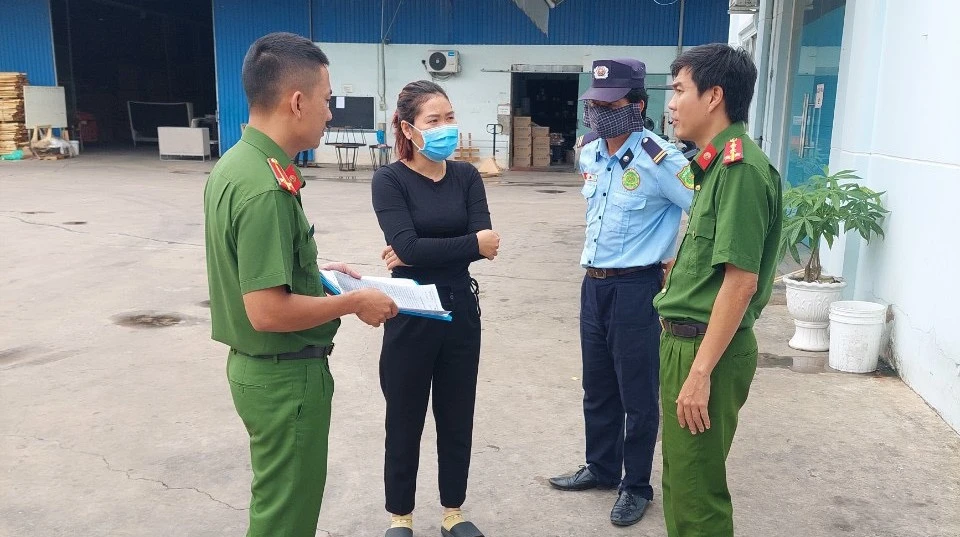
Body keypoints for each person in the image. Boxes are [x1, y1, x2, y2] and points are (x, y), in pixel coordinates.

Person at [203, 32, 398, 537]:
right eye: (326, 100)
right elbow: (266, 312)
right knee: (285, 521)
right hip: (284, 378)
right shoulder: (265, 188)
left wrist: (317, 275)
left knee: (277, 508)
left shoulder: (237, 165)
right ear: (296, 101)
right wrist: (354, 302)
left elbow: (257, 267)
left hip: (260, 372)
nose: (329, 113)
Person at [549, 58, 693, 527]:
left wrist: (678, 260)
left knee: (637, 393)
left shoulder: (661, 159)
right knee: (598, 385)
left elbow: (706, 212)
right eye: (595, 103)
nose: (599, 113)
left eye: (612, 104)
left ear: (637, 105)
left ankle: (636, 485)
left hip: (637, 288)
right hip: (593, 285)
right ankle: (602, 467)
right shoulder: (589, 151)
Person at [655, 44, 783, 537]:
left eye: (679, 90)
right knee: (680, 482)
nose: (671, 103)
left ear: (714, 97)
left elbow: (741, 281)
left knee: (698, 493)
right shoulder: (713, 166)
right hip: (683, 341)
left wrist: (701, 373)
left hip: (707, 349)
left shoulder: (740, 171)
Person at [371, 80, 499, 537]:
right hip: (411, 311)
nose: (446, 127)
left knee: (456, 413)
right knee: (404, 415)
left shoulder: (466, 176)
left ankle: (453, 512)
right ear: (409, 127)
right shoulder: (389, 180)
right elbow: (409, 244)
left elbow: (486, 246)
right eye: (434, 120)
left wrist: (419, 251)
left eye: (450, 117)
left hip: (460, 309)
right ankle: (399, 516)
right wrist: (448, 247)